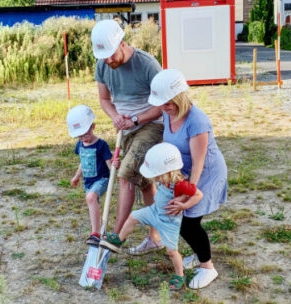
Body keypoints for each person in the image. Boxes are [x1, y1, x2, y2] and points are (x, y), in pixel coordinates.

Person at [148, 69, 228, 289]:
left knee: (188, 222)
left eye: (167, 103)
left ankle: (207, 267)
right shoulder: (168, 113)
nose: (163, 108)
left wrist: (185, 195)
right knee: (184, 219)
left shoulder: (197, 121)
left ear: (179, 98)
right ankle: (198, 253)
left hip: (205, 174)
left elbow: (199, 164)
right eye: (162, 104)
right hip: (183, 173)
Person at [91, 19, 164, 254]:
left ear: (122, 43)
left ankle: (116, 235)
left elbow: (164, 103)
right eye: (104, 57)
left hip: (151, 125)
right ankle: (156, 238)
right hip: (126, 130)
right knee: (144, 184)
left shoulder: (147, 64)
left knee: (126, 175)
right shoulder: (102, 65)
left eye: (112, 54)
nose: (109, 60)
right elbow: (104, 100)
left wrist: (134, 119)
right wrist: (115, 116)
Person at [100, 143, 203, 290]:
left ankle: (179, 275)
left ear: (168, 172)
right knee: (133, 217)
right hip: (154, 211)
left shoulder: (180, 184)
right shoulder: (165, 178)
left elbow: (199, 194)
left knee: (172, 252)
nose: (156, 180)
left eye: (157, 177)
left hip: (168, 221)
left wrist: (184, 205)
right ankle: (119, 240)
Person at [67, 105, 113, 246]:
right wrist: (76, 176)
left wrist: (115, 171)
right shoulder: (80, 145)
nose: (83, 138)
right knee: (92, 203)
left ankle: (94, 234)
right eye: (80, 136)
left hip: (102, 179)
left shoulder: (101, 145)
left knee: (91, 197)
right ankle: (99, 234)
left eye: (85, 134)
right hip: (88, 182)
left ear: (93, 126)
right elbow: (83, 161)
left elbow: (109, 162)